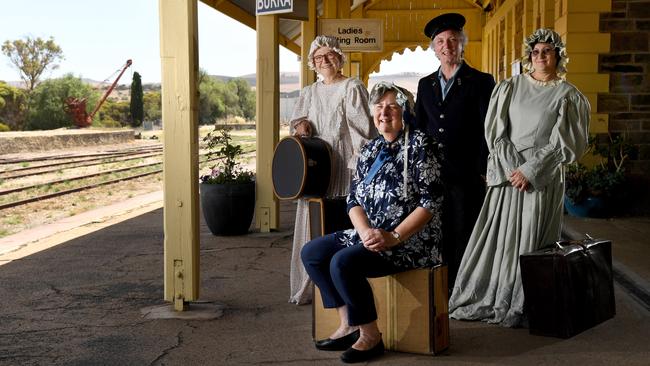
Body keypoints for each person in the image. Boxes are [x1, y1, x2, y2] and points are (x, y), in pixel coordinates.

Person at [448, 28, 591, 327]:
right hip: (508, 174)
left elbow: (566, 143)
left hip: (541, 177)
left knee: (530, 238)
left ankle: (525, 300)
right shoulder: (509, 87)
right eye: (536, 51)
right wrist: (515, 169)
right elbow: (496, 132)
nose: (541, 56)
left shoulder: (568, 96)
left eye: (547, 51)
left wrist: (531, 171)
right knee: (499, 238)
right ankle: (493, 293)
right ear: (529, 56)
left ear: (558, 56)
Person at [301, 82, 443, 363]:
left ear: (405, 112)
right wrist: (365, 231)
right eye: (379, 107)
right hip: (369, 233)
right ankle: (349, 324)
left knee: (343, 262)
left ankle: (371, 335)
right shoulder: (370, 149)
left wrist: (393, 236)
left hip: (409, 241)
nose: (384, 112)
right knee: (312, 254)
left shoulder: (421, 145)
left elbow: (431, 203)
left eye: (392, 106)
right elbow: (352, 200)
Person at [288, 35, 377, 305]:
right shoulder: (308, 92)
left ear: (339, 58)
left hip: (342, 165)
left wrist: (358, 167)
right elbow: (297, 120)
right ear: (312, 63)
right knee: (315, 218)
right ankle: (316, 282)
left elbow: (362, 130)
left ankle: (345, 283)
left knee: (341, 219)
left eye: (329, 55)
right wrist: (301, 125)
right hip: (315, 166)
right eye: (318, 57)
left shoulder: (352, 86)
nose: (324, 60)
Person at [415, 13, 496, 293]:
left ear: (462, 44)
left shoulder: (482, 81)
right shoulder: (426, 85)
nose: (446, 46)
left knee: (465, 232)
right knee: (437, 232)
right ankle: (442, 290)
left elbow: (490, 128)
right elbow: (420, 127)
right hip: (434, 174)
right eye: (440, 42)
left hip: (467, 173)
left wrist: (483, 168)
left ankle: (465, 291)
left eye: (452, 40)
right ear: (434, 49)